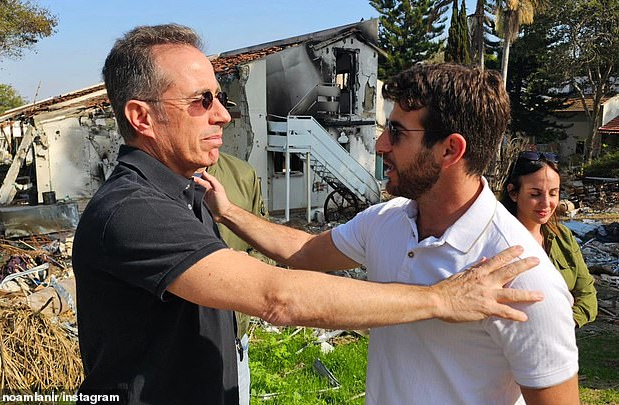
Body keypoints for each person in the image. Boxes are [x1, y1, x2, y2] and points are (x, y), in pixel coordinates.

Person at [72, 24, 542, 404]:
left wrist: (232, 213)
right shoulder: (131, 210)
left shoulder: (188, 189)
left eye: (220, 98)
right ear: (141, 117)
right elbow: (276, 295)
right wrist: (441, 299)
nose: (224, 116)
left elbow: (303, 249)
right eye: (202, 101)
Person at [197, 63, 579, 404]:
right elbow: (306, 251)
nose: (380, 145)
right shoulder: (388, 219)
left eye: (395, 133)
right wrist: (229, 212)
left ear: (449, 150)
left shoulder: (521, 278)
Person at [204, 152, 274, 405]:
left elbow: (266, 248)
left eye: (225, 110)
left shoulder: (243, 176)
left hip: (235, 343)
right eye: (202, 108)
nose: (220, 118)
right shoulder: (148, 189)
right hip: (177, 350)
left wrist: (236, 271)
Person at [500, 151, 598, 327]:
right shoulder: (498, 242)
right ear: (513, 193)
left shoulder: (563, 238)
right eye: (535, 194)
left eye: (553, 193)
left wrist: (567, 322)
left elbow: (587, 293)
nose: (546, 203)